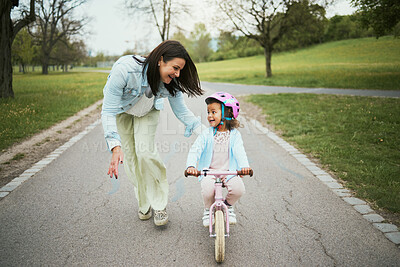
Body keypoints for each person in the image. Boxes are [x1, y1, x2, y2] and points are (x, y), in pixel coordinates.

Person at [101, 40, 204, 226]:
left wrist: (206, 135)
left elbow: (182, 112)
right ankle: (144, 202)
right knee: (131, 160)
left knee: (145, 154)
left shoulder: (171, 83)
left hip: (147, 110)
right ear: (161, 60)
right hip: (121, 111)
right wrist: (115, 146)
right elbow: (108, 110)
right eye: (175, 67)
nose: (177, 74)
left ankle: (159, 205)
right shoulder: (125, 70)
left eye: (180, 70)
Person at [185, 92, 252, 227]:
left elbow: (240, 152)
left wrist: (244, 167)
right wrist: (191, 166)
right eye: (208, 112)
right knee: (208, 190)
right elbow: (195, 149)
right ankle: (208, 209)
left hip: (229, 172)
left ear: (227, 113)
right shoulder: (206, 134)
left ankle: (228, 206)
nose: (209, 115)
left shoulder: (235, 135)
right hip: (209, 172)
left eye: (213, 112)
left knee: (239, 189)